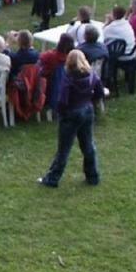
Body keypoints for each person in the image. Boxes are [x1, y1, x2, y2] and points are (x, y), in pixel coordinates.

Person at [38, 49, 107, 188]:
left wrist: (62, 113)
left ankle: (52, 179)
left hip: (71, 113)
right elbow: (100, 93)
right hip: (87, 110)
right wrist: (89, 100)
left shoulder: (68, 79)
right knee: (88, 145)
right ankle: (92, 176)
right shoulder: (92, 75)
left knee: (64, 149)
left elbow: (62, 101)